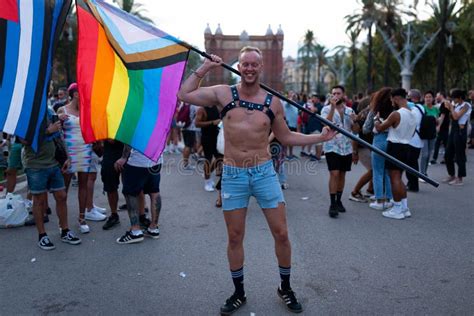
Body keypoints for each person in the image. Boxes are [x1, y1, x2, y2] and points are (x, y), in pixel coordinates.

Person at [178, 46, 336, 315]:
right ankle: (238, 292)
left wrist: (318, 138)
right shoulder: (222, 93)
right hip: (233, 174)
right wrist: (205, 67)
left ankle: (285, 287)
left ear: (260, 68)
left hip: (263, 172)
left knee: (282, 234)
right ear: (238, 66)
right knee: (235, 236)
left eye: (254, 64)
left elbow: (286, 137)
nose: (249, 68)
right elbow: (184, 93)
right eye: (245, 64)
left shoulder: (272, 101)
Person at [21, 108, 81, 249]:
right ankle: (42, 236)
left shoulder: (48, 111)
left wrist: (67, 157)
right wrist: (48, 131)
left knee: (61, 196)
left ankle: (65, 231)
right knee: (39, 200)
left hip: (53, 162)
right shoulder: (26, 112)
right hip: (35, 164)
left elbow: (59, 136)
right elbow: (23, 140)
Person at [57, 83, 106, 234]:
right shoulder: (62, 110)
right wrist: (58, 118)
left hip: (85, 151)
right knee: (63, 191)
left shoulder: (87, 111)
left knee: (83, 185)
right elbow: (57, 134)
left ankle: (82, 219)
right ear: (76, 94)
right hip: (68, 154)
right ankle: (62, 223)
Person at [374, 88, 417, 220]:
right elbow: (413, 133)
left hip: (395, 146)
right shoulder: (412, 114)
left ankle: (397, 208)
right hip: (407, 146)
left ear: (396, 98)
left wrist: (376, 120)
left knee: (394, 179)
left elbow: (380, 128)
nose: (391, 102)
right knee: (399, 178)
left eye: (392, 99)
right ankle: (404, 207)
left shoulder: (396, 114)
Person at [321, 85, 357, 218]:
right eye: (333, 93)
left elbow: (356, 131)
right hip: (332, 146)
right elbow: (327, 123)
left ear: (343, 95)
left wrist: (355, 120)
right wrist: (332, 107)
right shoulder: (326, 109)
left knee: (342, 174)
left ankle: (338, 200)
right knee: (334, 173)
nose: (335, 96)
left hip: (346, 147)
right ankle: (332, 204)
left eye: (338, 93)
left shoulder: (349, 110)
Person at [114, 147, 162, 244]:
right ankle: (153, 228)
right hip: (156, 159)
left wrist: (124, 157)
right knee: (154, 192)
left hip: (137, 161)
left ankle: (135, 231)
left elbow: (130, 137)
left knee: (130, 193)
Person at [363, 88, 394, 210]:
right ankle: (389, 198)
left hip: (379, 139)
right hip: (392, 140)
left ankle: (379, 200)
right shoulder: (395, 111)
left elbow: (366, 128)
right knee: (387, 171)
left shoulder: (375, 110)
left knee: (377, 171)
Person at [195, 105, 223, 206]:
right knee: (208, 159)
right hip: (207, 137)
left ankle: (207, 173)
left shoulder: (217, 107)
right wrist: (212, 122)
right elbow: (197, 123)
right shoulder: (202, 109)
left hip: (217, 136)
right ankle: (207, 181)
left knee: (220, 158)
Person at [442, 89, 472, 186]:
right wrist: (450, 108)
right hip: (454, 131)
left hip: (460, 132)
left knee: (460, 156)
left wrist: (451, 108)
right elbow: (452, 118)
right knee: (447, 154)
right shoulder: (456, 105)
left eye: (454, 98)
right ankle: (451, 175)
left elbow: (456, 117)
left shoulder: (466, 105)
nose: (452, 100)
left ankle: (460, 178)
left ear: (459, 98)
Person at [405, 89, 424, 192]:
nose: (407, 98)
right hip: (417, 139)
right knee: (413, 163)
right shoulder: (420, 107)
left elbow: (412, 124)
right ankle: (412, 184)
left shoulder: (415, 109)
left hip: (413, 140)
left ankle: (413, 185)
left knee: (411, 164)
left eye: (408, 96)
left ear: (413, 98)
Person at [419, 91, 439, 179]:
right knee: (424, 154)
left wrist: (437, 121)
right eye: (426, 97)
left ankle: (424, 172)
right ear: (424, 98)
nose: (428, 98)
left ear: (433, 98)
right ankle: (421, 174)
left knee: (429, 155)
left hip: (432, 134)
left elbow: (437, 122)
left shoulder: (436, 109)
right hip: (423, 134)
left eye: (430, 97)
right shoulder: (422, 108)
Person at [431, 92, 450, 164]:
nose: (436, 97)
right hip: (445, 125)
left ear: (441, 96)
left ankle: (435, 158)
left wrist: (438, 126)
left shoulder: (444, 103)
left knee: (439, 142)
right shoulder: (446, 103)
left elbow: (443, 115)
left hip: (443, 126)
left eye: (437, 96)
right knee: (443, 143)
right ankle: (445, 158)